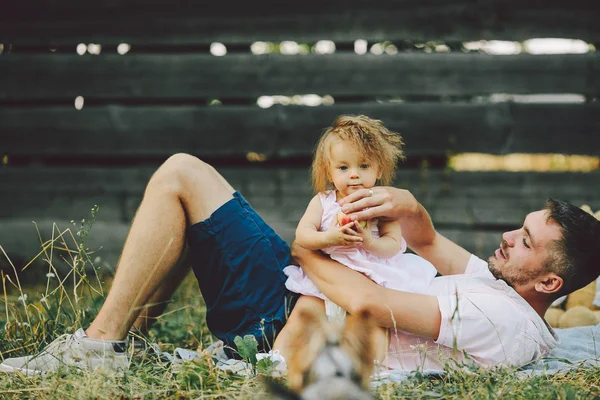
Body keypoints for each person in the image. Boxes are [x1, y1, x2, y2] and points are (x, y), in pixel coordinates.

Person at [1, 151, 599, 375]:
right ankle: (118, 340)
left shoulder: (501, 320)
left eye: (523, 239)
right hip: (306, 300)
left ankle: (101, 343)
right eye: (518, 227)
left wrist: (309, 246)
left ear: (549, 281)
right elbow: (429, 241)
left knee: (183, 175)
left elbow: (368, 305)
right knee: (188, 180)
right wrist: (406, 205)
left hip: (293, 322)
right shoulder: (500, 285)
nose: (505, 237)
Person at [274, 115, 437, 363]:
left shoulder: (381, 205)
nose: (354, 175)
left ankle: (373, 369)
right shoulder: (323, 201)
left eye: (364, 166)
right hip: (326, 279)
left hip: (370, 281)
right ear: (329, 171)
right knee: (304, 313)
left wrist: (369, 242)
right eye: (343, 167)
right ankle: (277, 361)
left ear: (378, 169)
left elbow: (393, 245)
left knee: (372, 324)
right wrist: (329, 237)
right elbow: (303, 236)